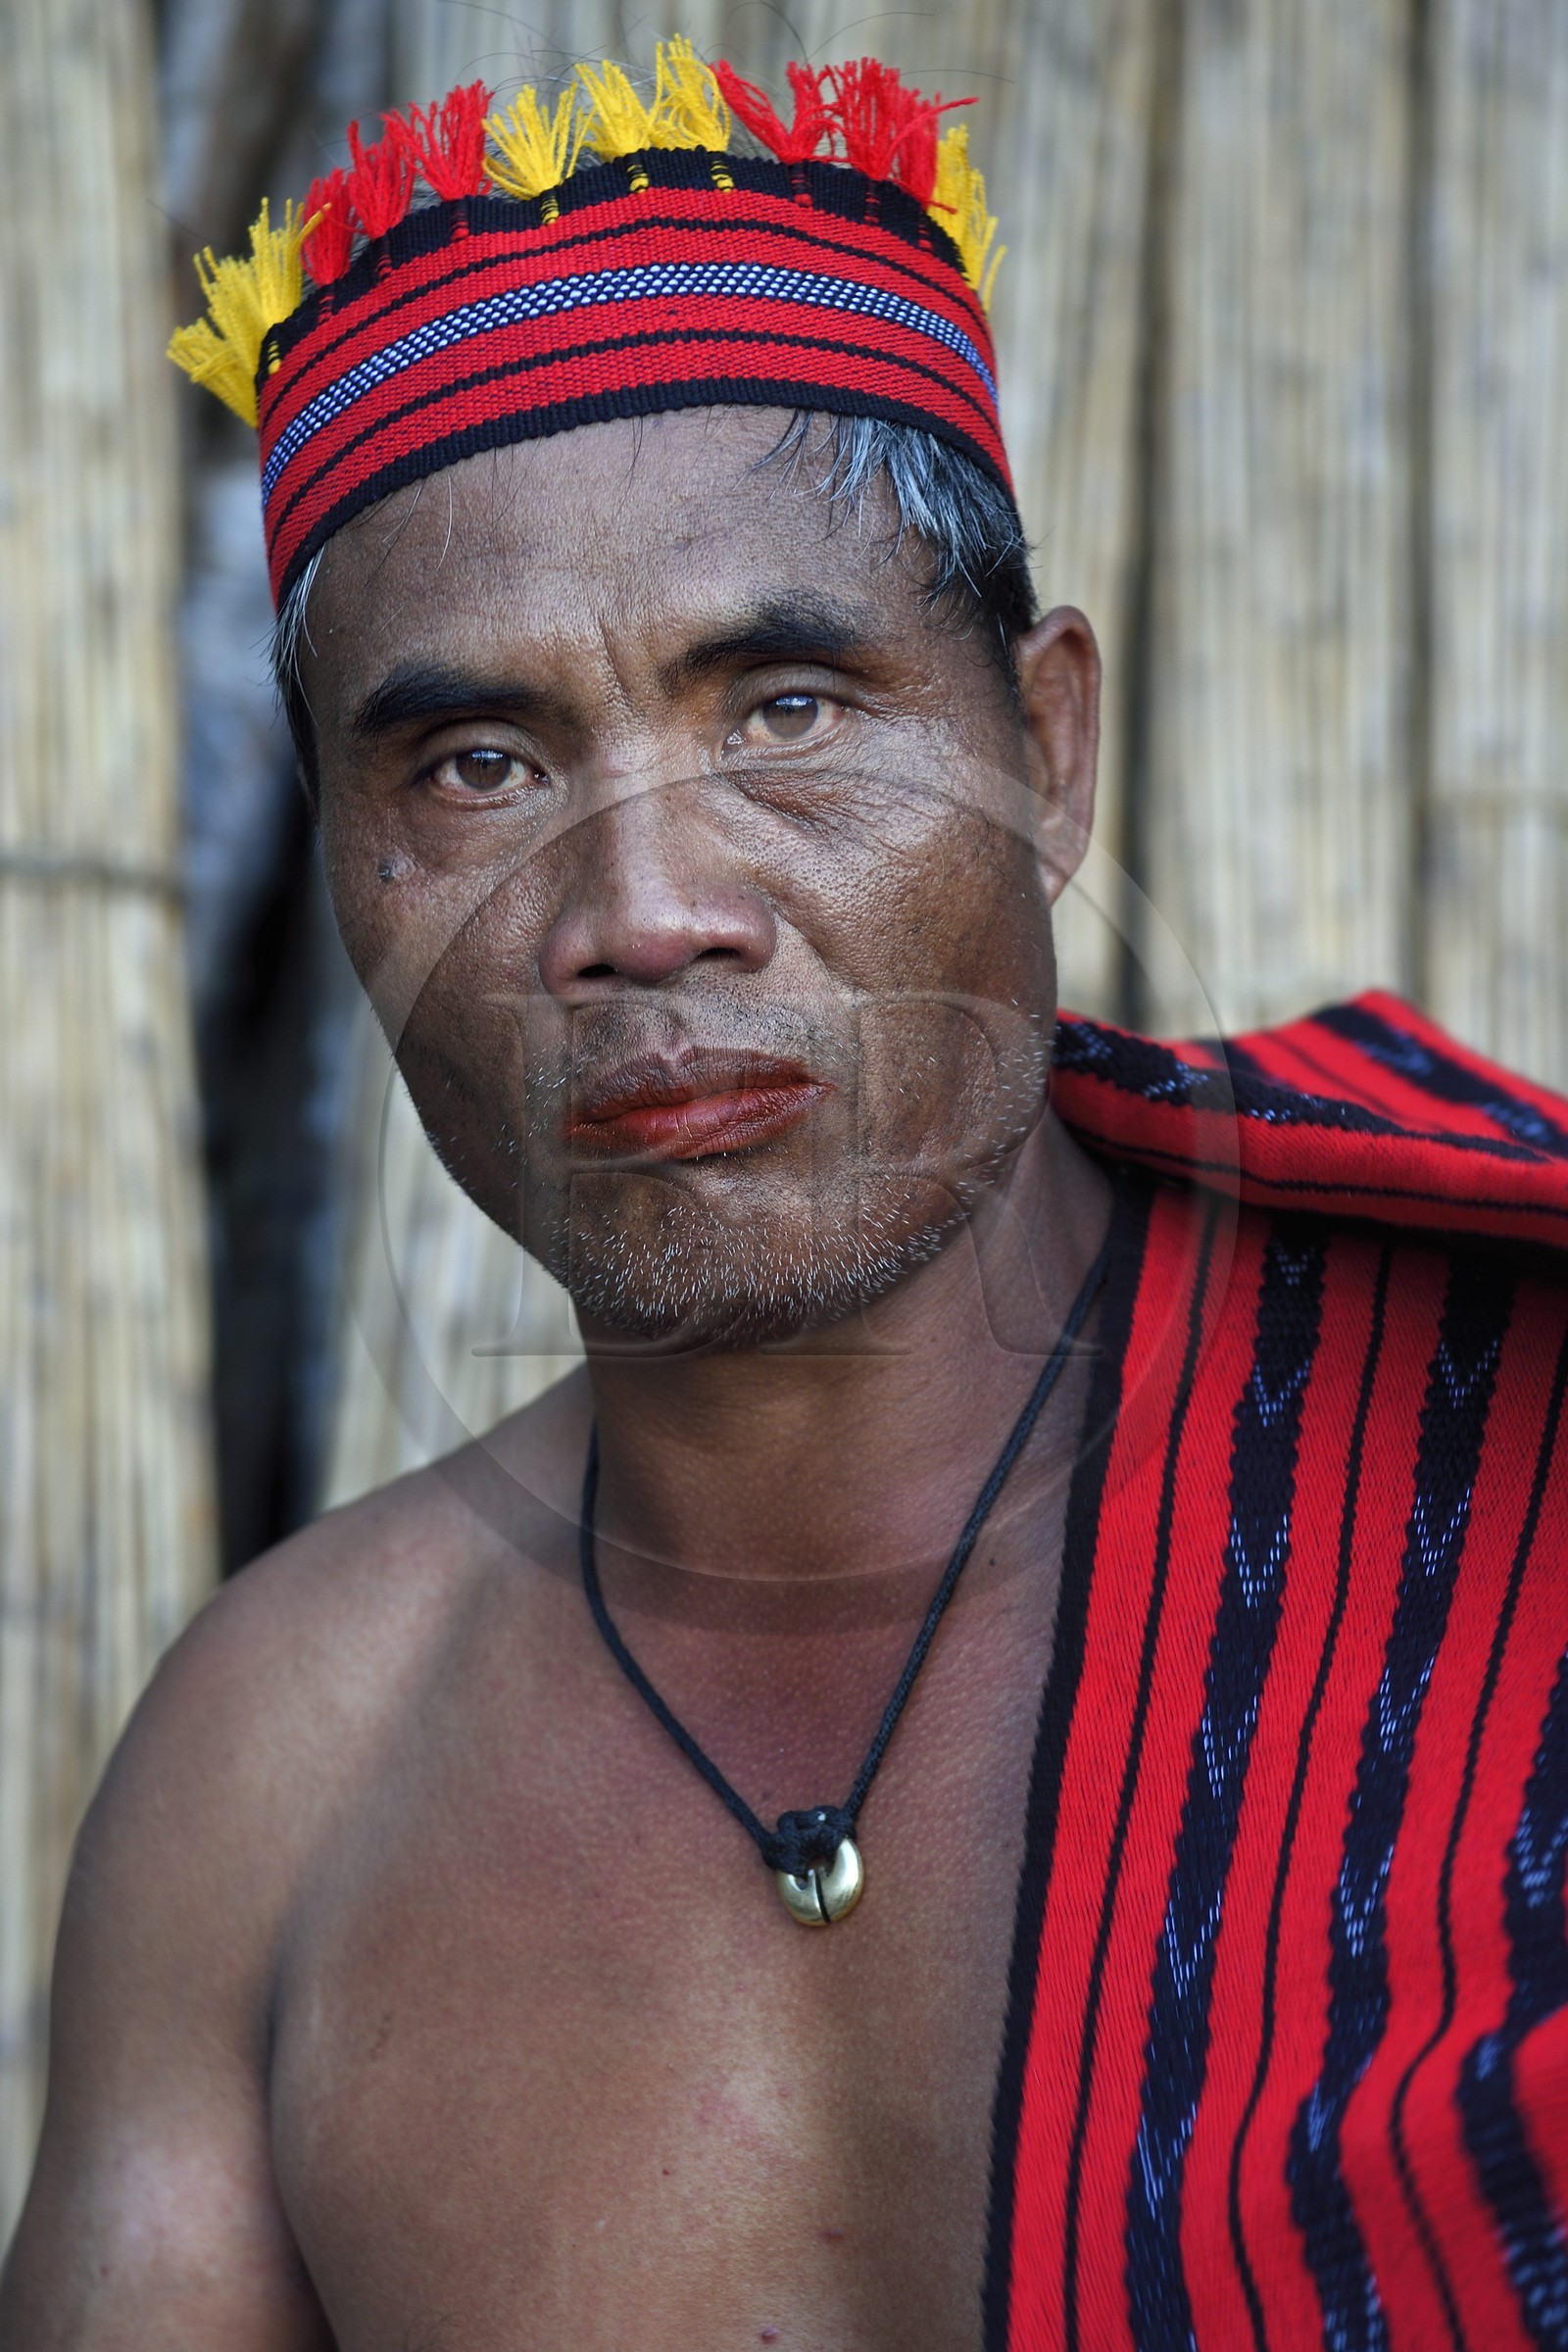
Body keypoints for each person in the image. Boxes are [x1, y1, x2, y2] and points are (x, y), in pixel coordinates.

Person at [4, 44, 1567, 2352]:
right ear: (346, 865)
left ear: (1042, 747)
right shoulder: (275, 1786)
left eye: (788, 713)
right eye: (477, 760)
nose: (644, 904)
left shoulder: (1507, 1489)